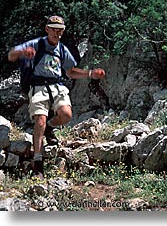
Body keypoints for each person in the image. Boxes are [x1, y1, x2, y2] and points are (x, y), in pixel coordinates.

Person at [8, 15, 105, 178]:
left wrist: (90, 73)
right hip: (38, 86)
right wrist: (22, 52)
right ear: (47, 29)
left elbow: (70, 71)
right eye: (54, 29)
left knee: (66, 115)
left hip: (57, 86)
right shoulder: (36, 44)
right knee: (39, 121)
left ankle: (50, 128)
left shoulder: (62, 49)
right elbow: (11, 55)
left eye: (60, 30)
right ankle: (38, 163)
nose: (57, 33)